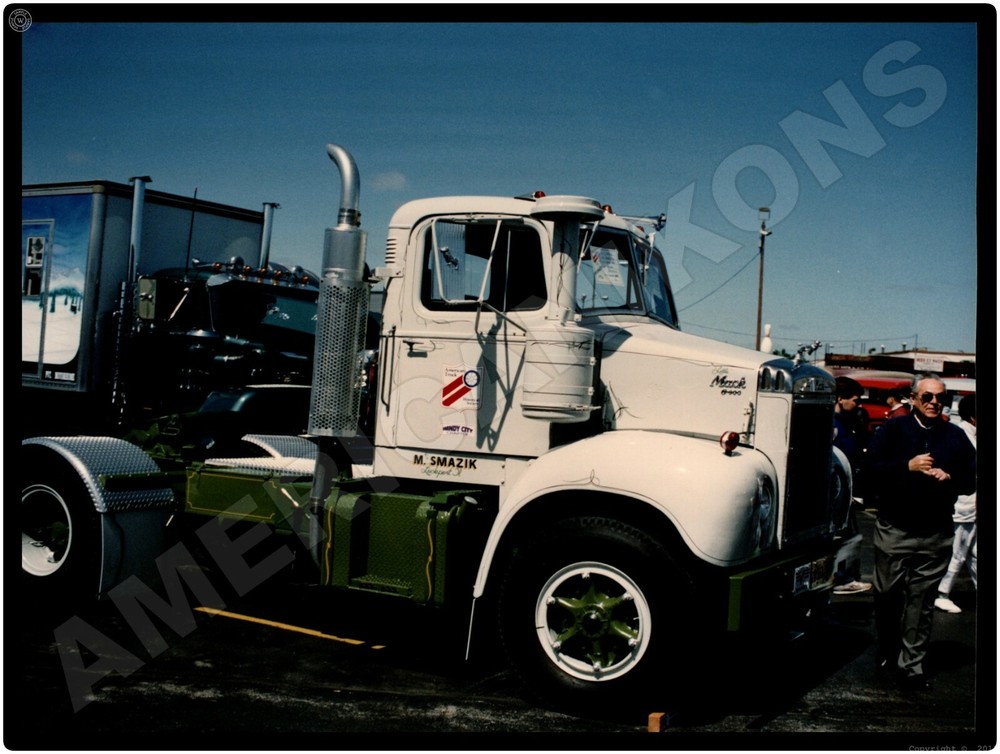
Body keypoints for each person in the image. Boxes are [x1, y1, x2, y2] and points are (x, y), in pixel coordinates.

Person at [864, 374, 976, 690]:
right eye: (927, 397)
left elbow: (971, 478)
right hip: (894, 529)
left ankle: (911, 665)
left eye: (940, 397)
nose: (934, 402)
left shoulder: (955, 436)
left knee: (922, 600)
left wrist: (950, 476)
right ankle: (888, 647)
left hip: (936, 533)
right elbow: (870, 472)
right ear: (913, 398)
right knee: (887, 595)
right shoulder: (894, 429)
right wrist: (906, 467)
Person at [934, 394, 976, 613]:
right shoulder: (960, 435)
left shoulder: (971, 434)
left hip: (973, 507)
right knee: (957, 553)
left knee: (974, 553)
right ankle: (941, 593)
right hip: (961, 507)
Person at [832, 376, 873, 595]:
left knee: (848, 534)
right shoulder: (832, 424)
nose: (858, 405)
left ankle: (845, 575)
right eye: (855, 400)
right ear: (840, 398)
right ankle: (842, 577)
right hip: (836, 491)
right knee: (844, 535)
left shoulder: (848, 422)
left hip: (847, 488)